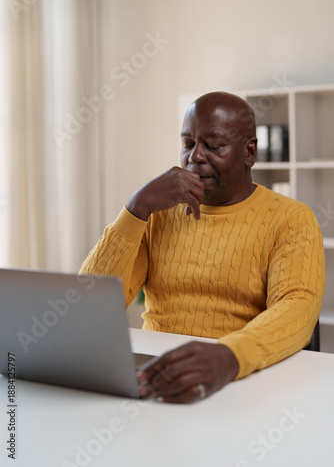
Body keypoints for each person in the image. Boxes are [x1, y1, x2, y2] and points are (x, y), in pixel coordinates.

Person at [79, 91, 326, 404]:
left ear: (249, 152)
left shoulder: (291, 219)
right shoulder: (158, 211)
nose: (194, 156)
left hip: (237, 378)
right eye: (187, 144)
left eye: (213, 146)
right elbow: (88, 305)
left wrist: (227, 357)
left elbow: (296, 308)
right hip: (155, 373)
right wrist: (134, 209)